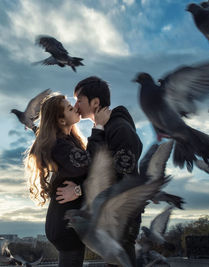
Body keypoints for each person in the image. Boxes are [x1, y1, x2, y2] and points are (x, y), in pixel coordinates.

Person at [57, 76, 143, 266]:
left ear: (95, 102)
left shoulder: (119, 129)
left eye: (79, 100)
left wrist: (79, 190)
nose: (76, 105)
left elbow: (119, 177)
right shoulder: (107, 128)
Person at [24, 93, 109, 267]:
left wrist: (78, 190)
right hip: (65, 223)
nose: (76, 108)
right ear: (61, 121)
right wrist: (98, 126)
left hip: (68, 219)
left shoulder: (68, 141)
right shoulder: (59, 145)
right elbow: (88, 164)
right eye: (70, 108)